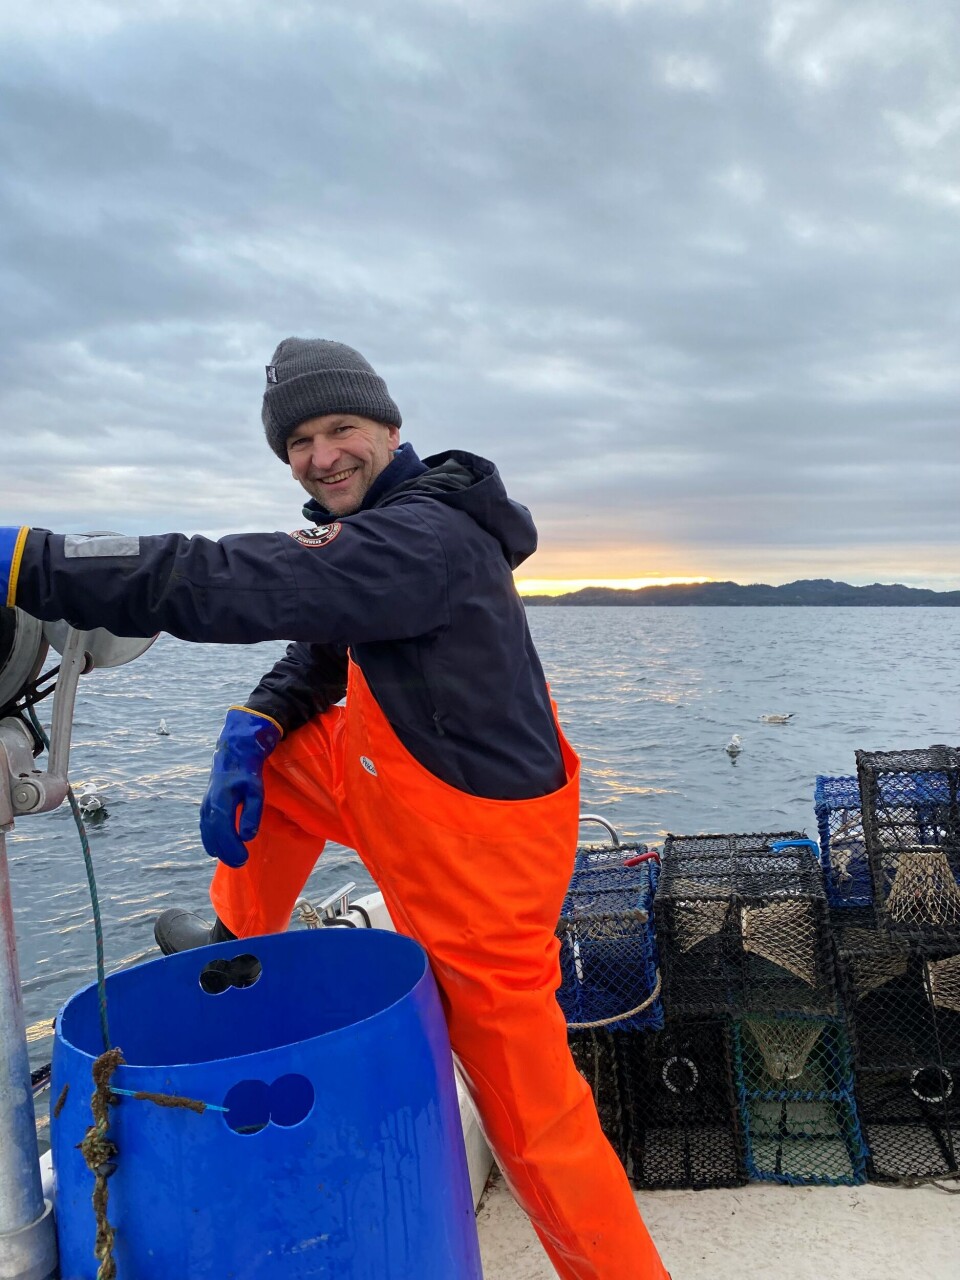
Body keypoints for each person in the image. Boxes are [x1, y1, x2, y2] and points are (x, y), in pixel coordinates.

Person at [1, 339, 669, 1280]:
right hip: (393, 788)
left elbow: (243, 579)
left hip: (478, 859)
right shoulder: (376, 537)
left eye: (340, 428)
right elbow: (322, 646)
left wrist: (36, 560)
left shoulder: (427, 536)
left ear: (390, 430)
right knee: (278, 761)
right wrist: (254, 722)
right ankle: (234, 940)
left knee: (535, 1119)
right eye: (300, 442)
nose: (321, 456)